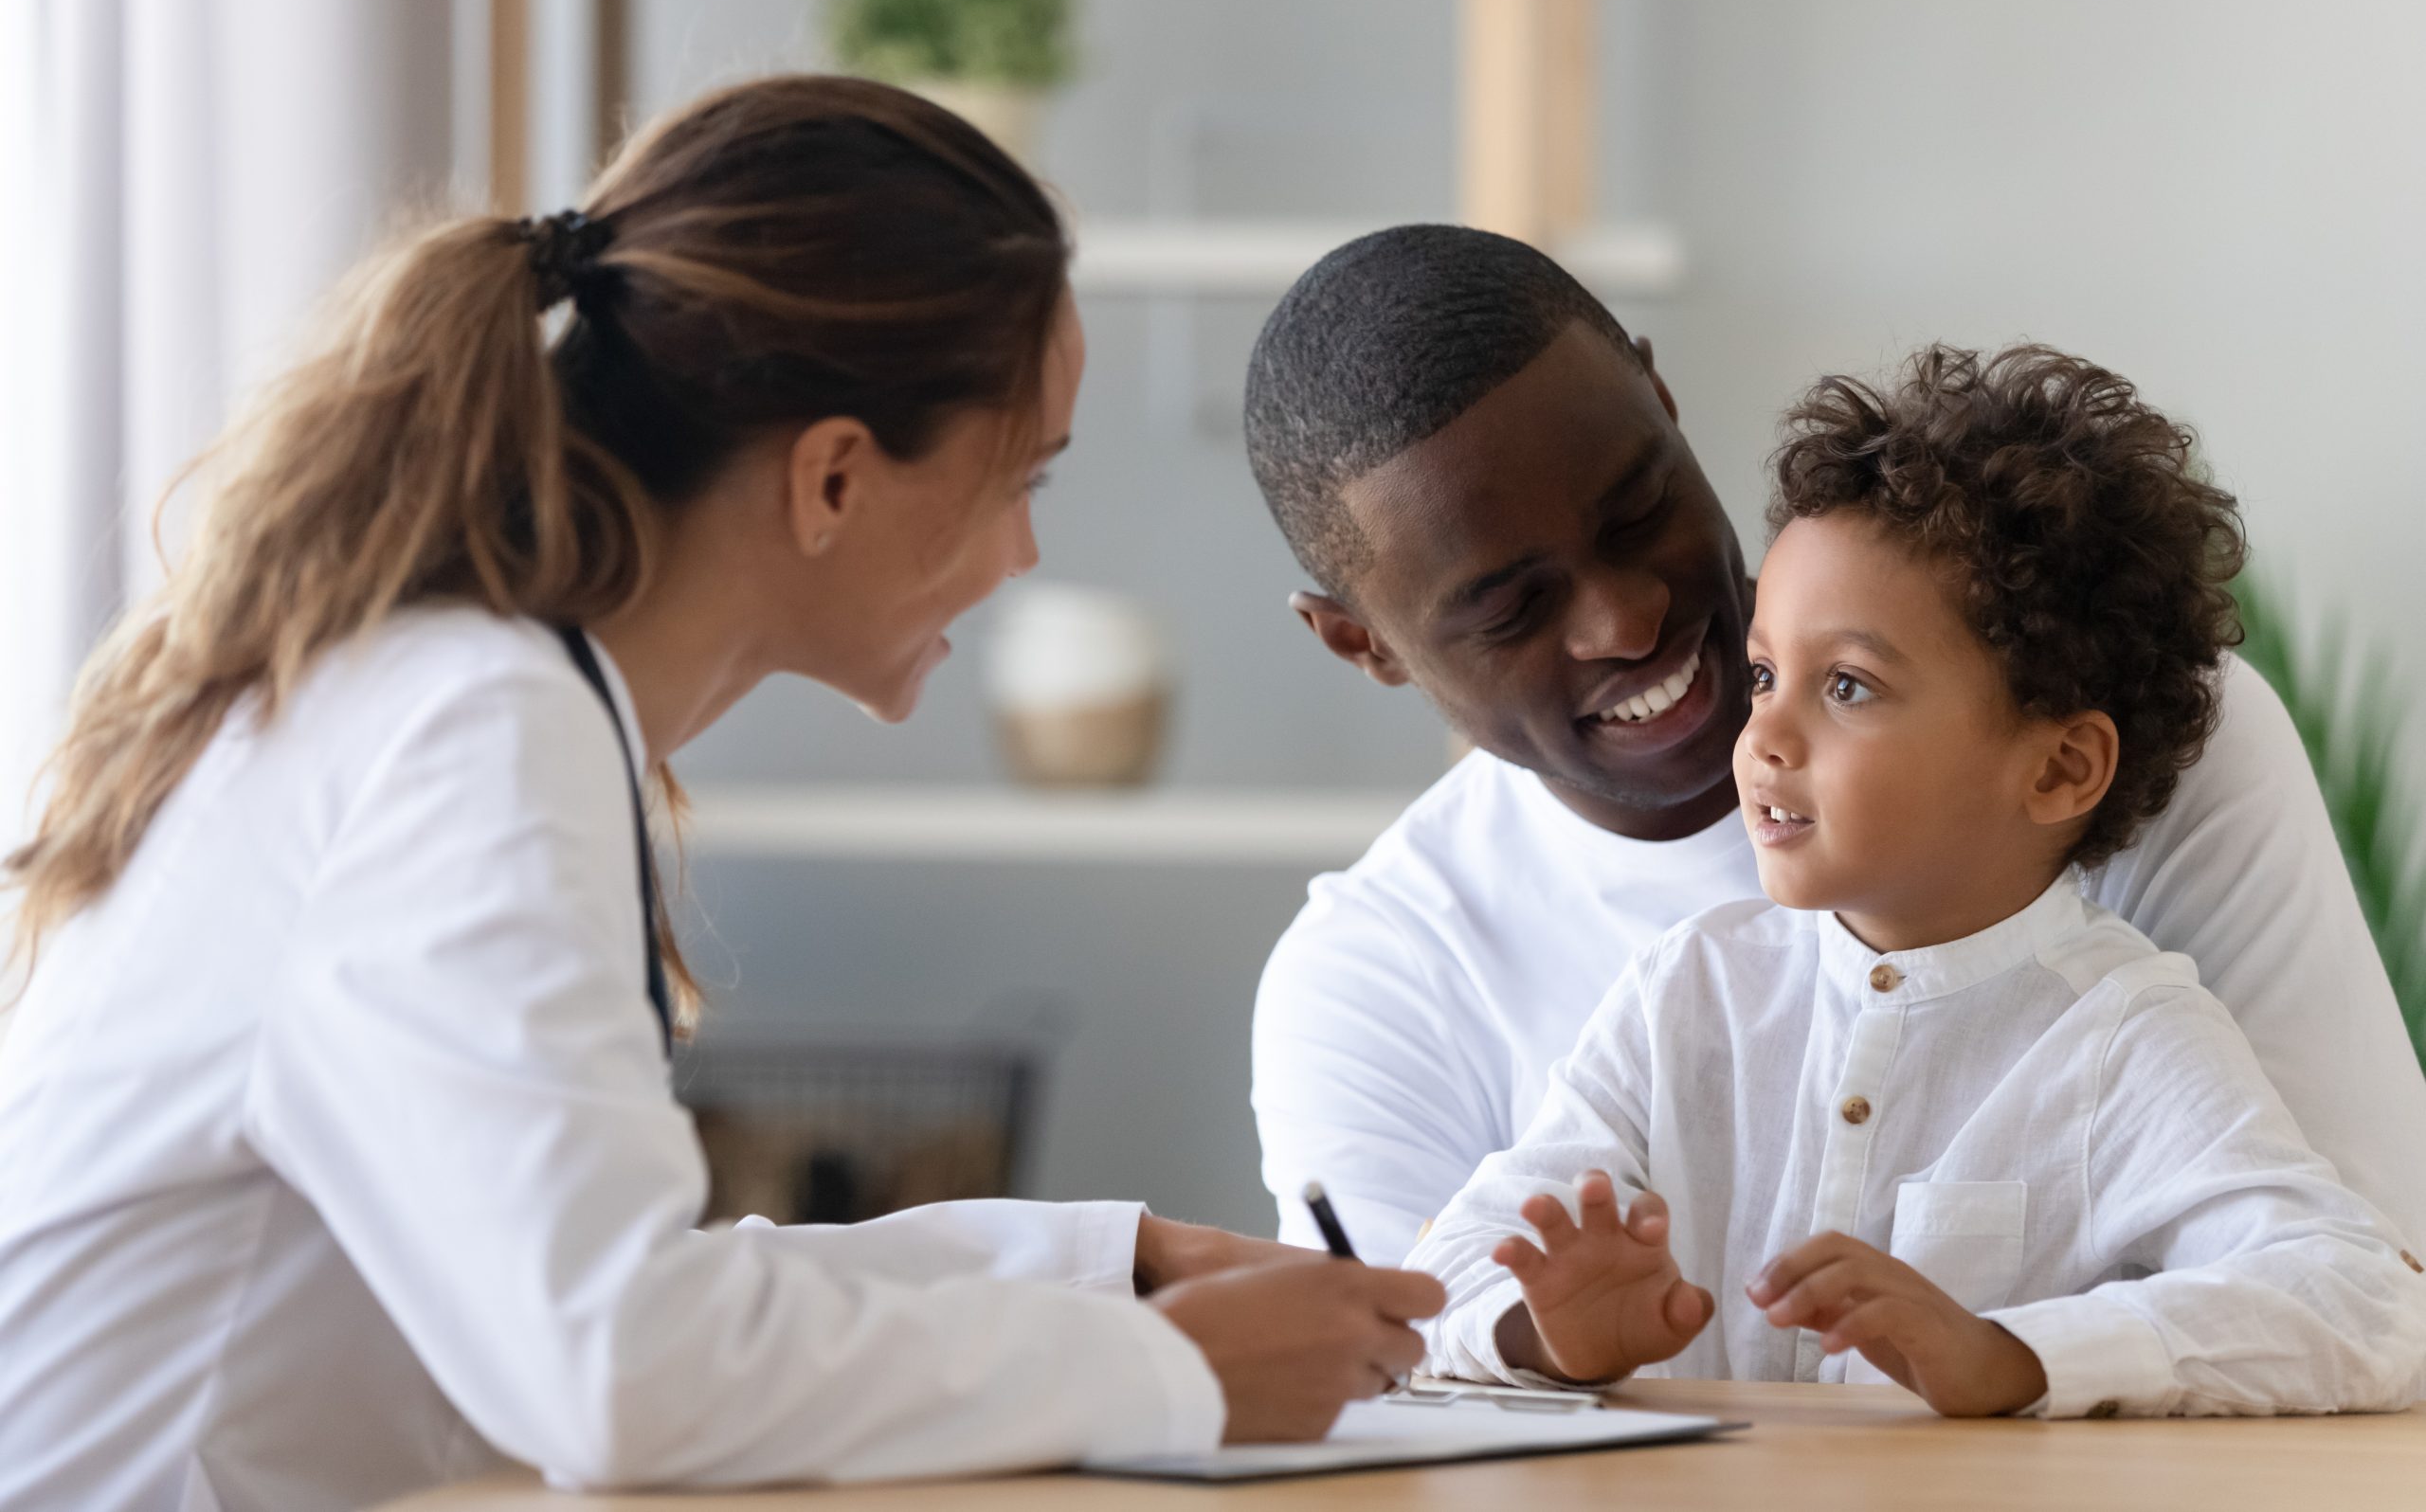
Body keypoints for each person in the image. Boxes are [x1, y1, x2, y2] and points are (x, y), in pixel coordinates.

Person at [0, 77, 1441, 1510]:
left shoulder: (455, 691)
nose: (1021, 560)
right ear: (830, 479)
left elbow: (622, 1286)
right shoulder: (470, 730)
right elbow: (619, 1367)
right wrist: (1170, 1375)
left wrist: (1113, 1264)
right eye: (1025, 481)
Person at [1243, 225, 2426, 1269]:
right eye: (1511, 611)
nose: (1627, 619)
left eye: (1638, 511)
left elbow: (2373, 1289)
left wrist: (1999, 1364)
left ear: (1664, 406)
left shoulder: (2126, 717)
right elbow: (1414, 1399)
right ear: (1364, 645)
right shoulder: (1381, 980)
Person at [1403, 344, 2426, 1418]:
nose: (1764, 738)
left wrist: (2010, 1356)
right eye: (1764, 674)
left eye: (1847, 685)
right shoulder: (1689, 994)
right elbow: (1443, 1280)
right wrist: (1545, 1331)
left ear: (2058, 767)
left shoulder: (2125, 1036)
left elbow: (2366, 1304)